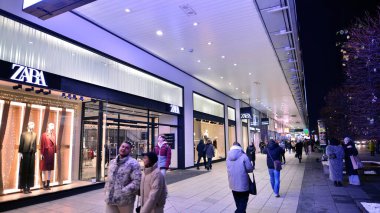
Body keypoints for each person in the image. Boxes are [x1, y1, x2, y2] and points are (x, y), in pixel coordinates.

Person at [105, 141, 141, 213]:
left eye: (127, 148)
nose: (123, 149)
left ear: (130, 151)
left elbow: (137, 182)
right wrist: (106, 190)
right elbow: (109, 179)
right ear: (119, 147)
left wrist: (123, 191)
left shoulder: (133, 163)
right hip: (110, 199)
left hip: (125, 201)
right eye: (122, 146)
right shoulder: (112, 162)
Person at [226, 142, 254, 213]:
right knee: (243, 203)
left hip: (232, 183)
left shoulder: (228, 157)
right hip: (243, 184)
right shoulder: (244, 156)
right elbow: (249, 169)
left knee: (238, 203)